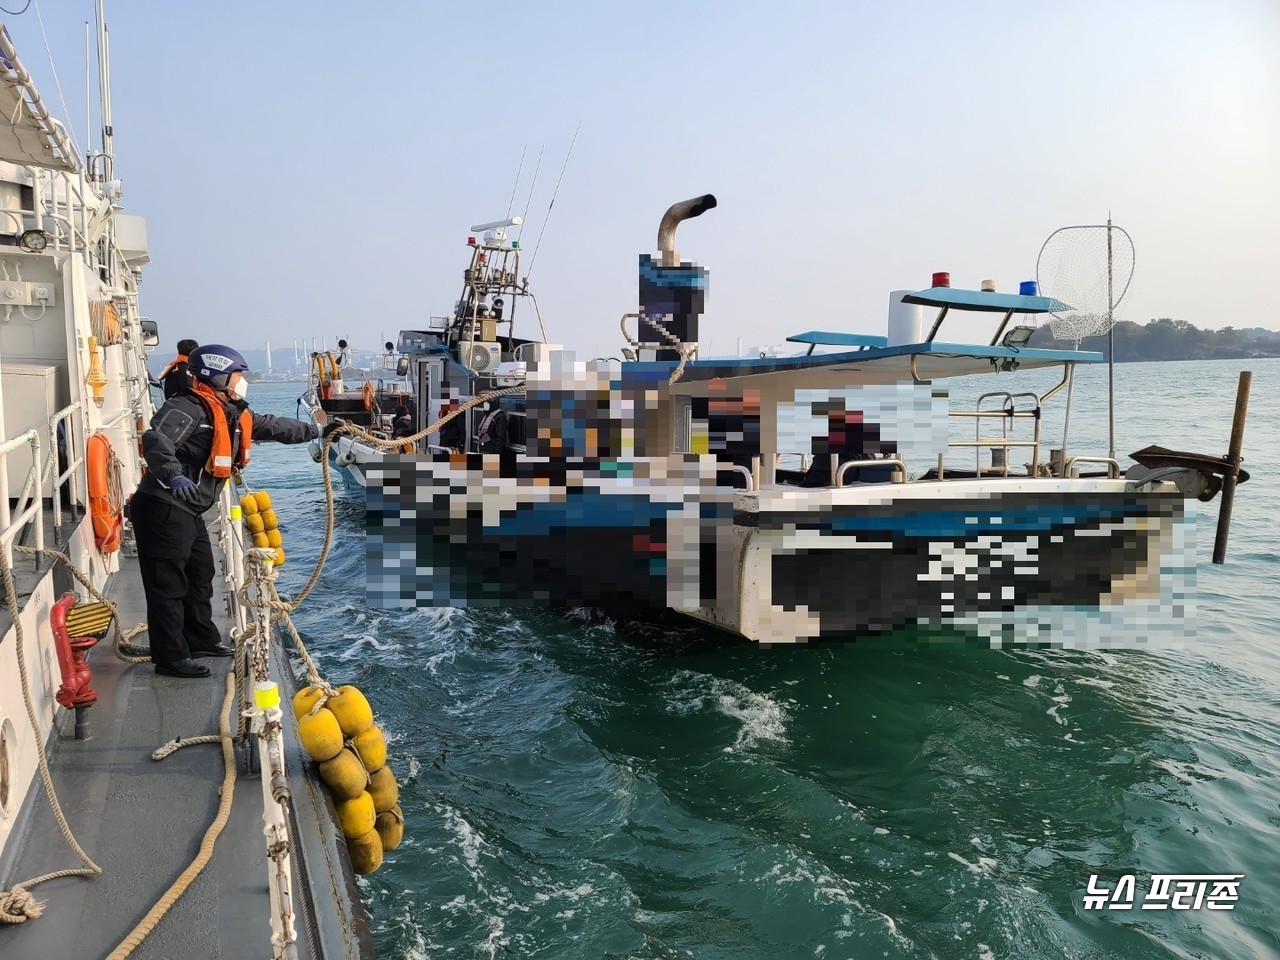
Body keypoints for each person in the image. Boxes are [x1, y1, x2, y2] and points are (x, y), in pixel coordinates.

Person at [132, 344, 342, 678]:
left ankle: (200, 639)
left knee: (200, 575)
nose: (241, 383)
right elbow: (157, 441)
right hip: (164, 506)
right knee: (168, 584)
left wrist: (317, 431)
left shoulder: (230, 412)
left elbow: (273, 426)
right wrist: (173, 477)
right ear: (217, 376)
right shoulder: (186, 408)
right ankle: (170, 657)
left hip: (190, 509)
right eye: (237, 376)